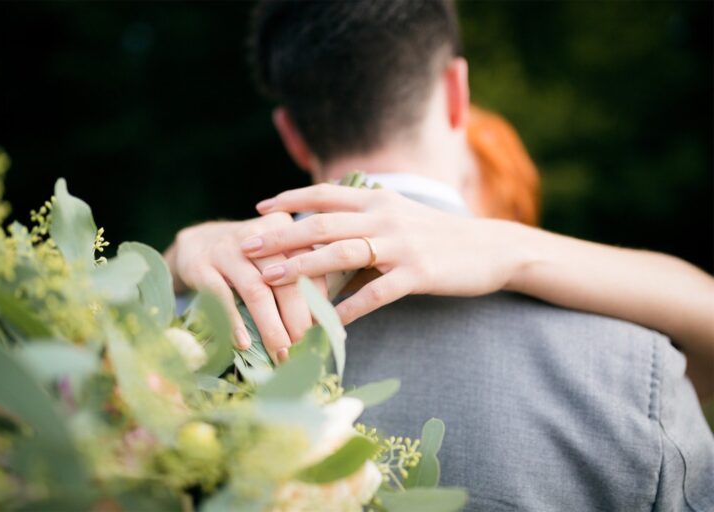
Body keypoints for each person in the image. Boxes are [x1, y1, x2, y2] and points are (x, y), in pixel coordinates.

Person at [164, 1, 714, 509]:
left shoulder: (165, 345)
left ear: (291, 134)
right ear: (457, 91)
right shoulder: (634, 372)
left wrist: (172, 263)